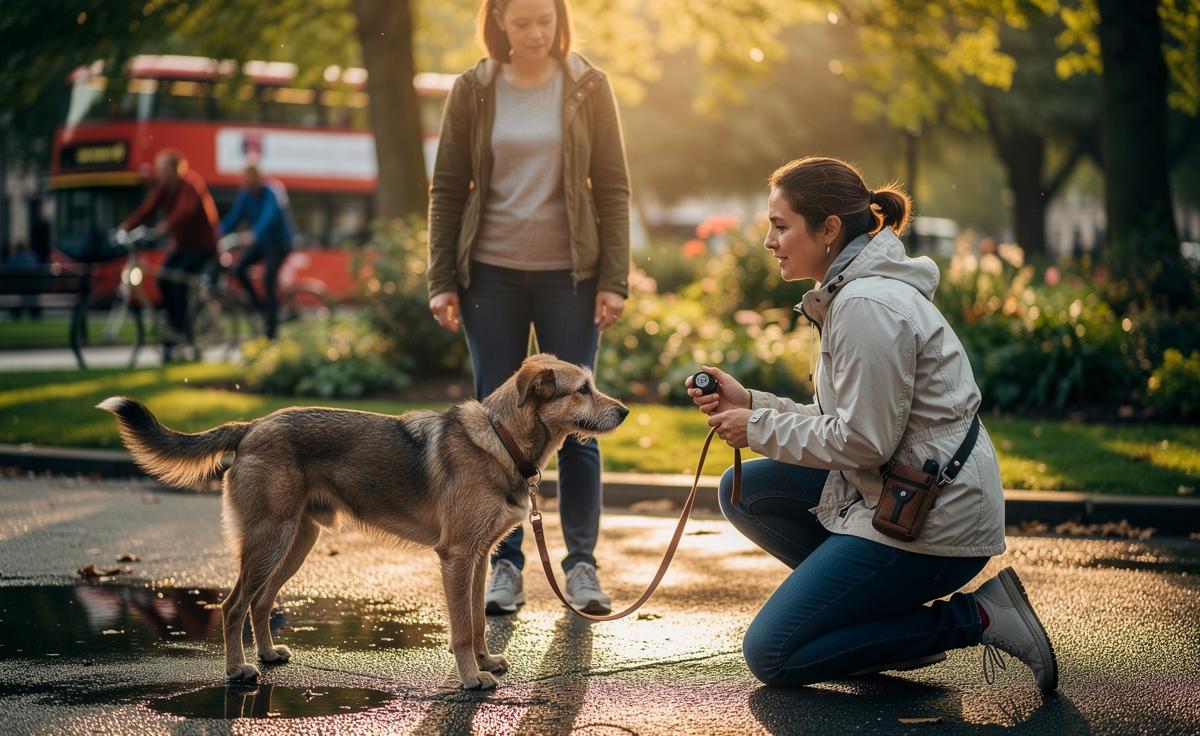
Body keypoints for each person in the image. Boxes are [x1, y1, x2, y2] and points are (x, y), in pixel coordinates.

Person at [687, 156, 1057, 691]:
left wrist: (757, 429)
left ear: (829, 229)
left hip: (936, 519)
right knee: (747, 491)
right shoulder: (848, 294)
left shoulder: (866, 305)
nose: (768, 240)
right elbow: (846, 423)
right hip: (901, 489)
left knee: (773, 655)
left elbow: (862, 441)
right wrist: (752, 404)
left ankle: (976, 617)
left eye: (780, 225)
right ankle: (871, 629)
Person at [427, 0, 631, 615]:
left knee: (581, 418)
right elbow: (447, 184)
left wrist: (613, 278)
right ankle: (505, 566)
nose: (535, 33)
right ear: (499, 25)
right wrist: (442, 278)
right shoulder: (474, 88)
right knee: (496, 421)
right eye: (521, 23)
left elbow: (614, 185)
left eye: (544, 20)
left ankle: (583, 566)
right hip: (489, 275)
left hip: (572, 274)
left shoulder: (588, 86)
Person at [119, 149, 218, 360]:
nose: (159, 174)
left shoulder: (190, 186)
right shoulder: (165, 189)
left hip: (203, 247)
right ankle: (174, 327)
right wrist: (126, 227)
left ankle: (180, 330)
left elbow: (184, 212)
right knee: (164, 279)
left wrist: (164, 227)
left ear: (175, 170)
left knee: (177, 281)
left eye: (162, 169)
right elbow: (148, 209)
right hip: (182, 246)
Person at [220, 163, 293, 339]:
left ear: (258, 176)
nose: (246, 181)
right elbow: (234, 217)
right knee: (239, 270)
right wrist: (215, 233)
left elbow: (269, 216)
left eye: (249, 177)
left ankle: (272, 329)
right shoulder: (245, 195)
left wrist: (254, 233)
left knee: (269, 278)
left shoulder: (271, 192)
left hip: (279, 243)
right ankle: (261, 308)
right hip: (261, 243)